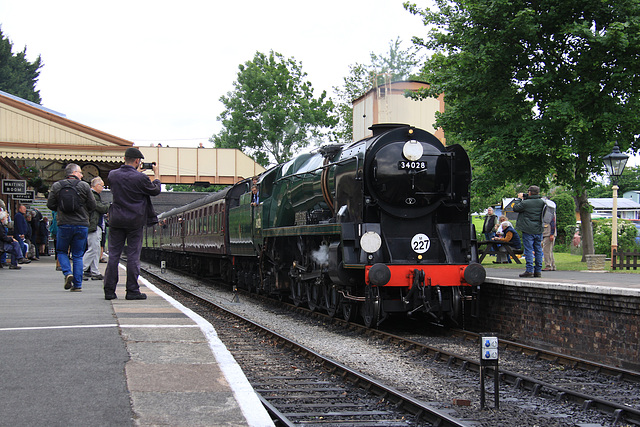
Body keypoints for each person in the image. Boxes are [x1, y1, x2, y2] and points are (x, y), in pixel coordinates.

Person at [103, 147, 161, 300]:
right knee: (133, 256)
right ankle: (132, 291)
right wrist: (156, 175)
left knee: (114, 255)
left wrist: (137, 172)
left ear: (124, 159)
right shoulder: (140, 178)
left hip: (116, 220)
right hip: (135, 221)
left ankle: (109, 291)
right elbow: (154, 190)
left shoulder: (112, 175)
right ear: (137, 161)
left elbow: (126, 183)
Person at [47, 163, 96, 291]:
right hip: (81, 225)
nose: (82, 174)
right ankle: (78, 285)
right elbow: (92, 205)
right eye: (80, 172)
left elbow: (50, 204)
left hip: (64, 224)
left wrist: (61, 207)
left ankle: (68, 273)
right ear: (74, 173)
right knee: (78, 255)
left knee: (62, 251)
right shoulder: (84, 186)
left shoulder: (57, 186)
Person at [513, 185, 546, 278]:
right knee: (538, 249)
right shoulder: (542, 202)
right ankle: (538, 271)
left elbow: (515, 208)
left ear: (530, 192)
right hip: (538, 228)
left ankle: (529, 270)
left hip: (528, 229)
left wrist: (519, 199)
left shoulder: (526, 203)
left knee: (529, 250)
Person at [83, 177, 110, 280]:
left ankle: (95, 271)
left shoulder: (95, 195)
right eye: (102, 186)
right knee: (93, 249)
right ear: (96, 185)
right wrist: (109, 206)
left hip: (96, 225)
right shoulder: (92, 196)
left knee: (96, 249)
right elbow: (100, 207)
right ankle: (80, 270)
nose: (103, 188)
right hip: (93, 225)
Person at [542, 202, 557, 271]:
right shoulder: (550, 211)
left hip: (548, 233)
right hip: (547, 233)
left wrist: (552, 234)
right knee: (549, 250)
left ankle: (548, 265)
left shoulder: (549, 213)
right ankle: (552, 265)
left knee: (546, 250)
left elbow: (553, 223)